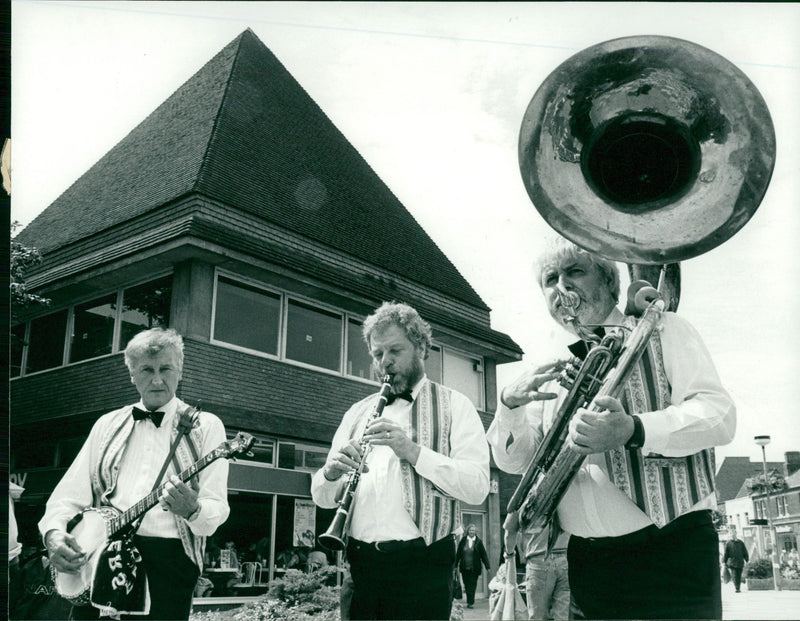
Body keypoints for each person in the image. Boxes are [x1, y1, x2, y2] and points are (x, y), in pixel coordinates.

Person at [487, 237, 735, 620]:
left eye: (574, 272)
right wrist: (509, 405)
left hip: (671, 554)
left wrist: (634, 429)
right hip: (589, 565)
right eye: (550, 279)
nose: (561, 288)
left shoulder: (665, 329)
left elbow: (718, 414)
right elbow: (515, 463)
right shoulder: (549, 370)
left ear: (608, 282)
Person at [312, 302, 490, 620]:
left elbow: (477, 487)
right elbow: (321, 497)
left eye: (395, 350)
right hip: (361, 568)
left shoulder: (456, 405)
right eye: (378, 354)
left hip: (423, 569)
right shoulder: (356, 412)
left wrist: (413, 451)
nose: (386, 362)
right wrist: (330, 472)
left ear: (421, 347)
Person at [39, 327, 230, 620]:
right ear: (131, 375)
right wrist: (54, 534)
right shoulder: (106, 424)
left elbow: (216, 509)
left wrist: (193, 510)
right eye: (146, 370)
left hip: (168, 565)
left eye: (166, 368)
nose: (157, 379)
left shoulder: (207, 426)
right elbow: (66, 496)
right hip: (98, 555)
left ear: (180, 371)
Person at [520, 524, 570, 620]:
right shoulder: (566, 508)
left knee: (538, 615)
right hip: (563, 558)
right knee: (561, 615)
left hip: (538, 559)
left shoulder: (525, 508)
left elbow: (510, 531)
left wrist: (509, 553)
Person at [455, 524, 490, 608]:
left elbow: (484, 555)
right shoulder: (463, 541)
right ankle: (469, 601)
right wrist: (455, 565)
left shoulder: (478, 542)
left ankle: (470, 602)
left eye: (473, 530)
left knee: (472, 584)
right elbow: (458, 554)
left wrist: (487, 566)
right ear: (467, 531)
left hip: (475, 568)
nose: (472, 532)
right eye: (470, 530)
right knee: (466, 585)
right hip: (464, 567)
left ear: (475, 532)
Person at [723, 526, 749, 593]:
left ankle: (738, 587)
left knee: (739, 575)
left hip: (740, 561)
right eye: (731, 533)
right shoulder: (728, 543)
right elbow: (726, 553)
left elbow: (744, 551)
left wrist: (747, 559)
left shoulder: (740, 542)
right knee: (734, 575)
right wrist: (724, 561)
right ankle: (737, 588)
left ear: (736, 533)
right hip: (732, 562)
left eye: (733, 532)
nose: (732, 534)